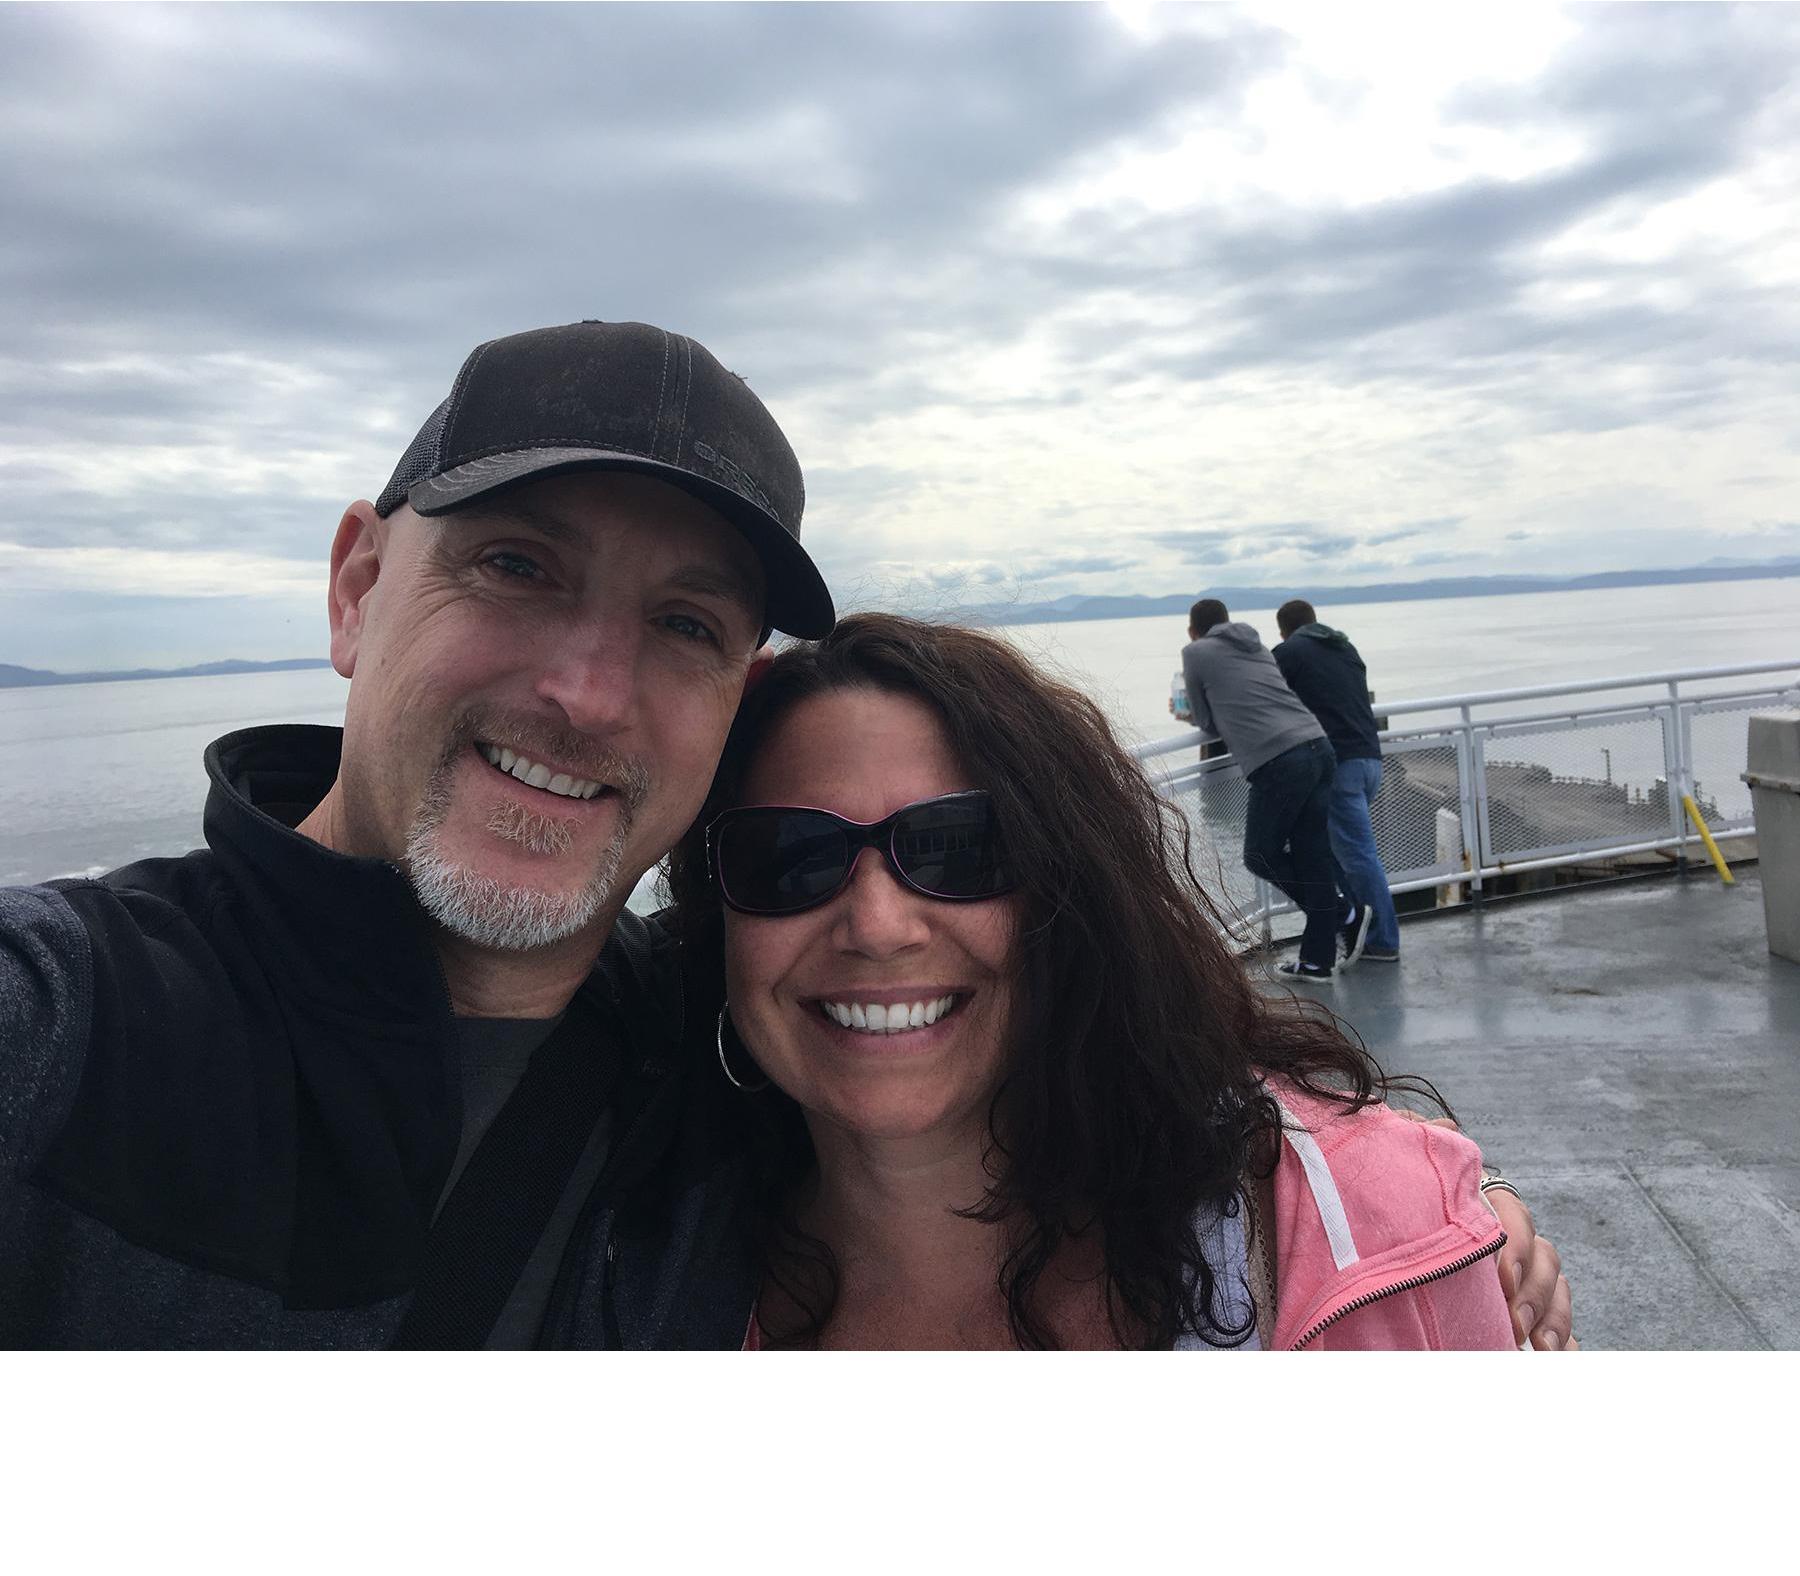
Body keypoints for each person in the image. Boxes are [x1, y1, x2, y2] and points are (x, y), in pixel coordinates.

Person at [0, 319, 833, 1348]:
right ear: (358, 588)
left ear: (734, 708)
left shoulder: (755, 1083)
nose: (589, 696)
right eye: (517, 566)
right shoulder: (63, 1027)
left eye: (685, 625)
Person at [667, 614, 1571, 1350]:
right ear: (716, 920)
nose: (876, 926)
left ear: (1071, 895)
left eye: (956, 848)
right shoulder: (641, 1271)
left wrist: (1435, 1199)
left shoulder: (1383, 1245)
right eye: (789, 857)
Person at [1181, 599, 1357, 980]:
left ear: (1193, 629)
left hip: (1279, 759)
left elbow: (1206, 721)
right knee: (1312, 854)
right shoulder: (1256, 645)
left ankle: (1340, 911)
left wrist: (1188, 714)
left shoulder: (1194, 653)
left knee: (1260, 855)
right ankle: (1317, 961)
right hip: (1318, 745)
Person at [1273, 598, 1400, 963]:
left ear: (1284, 629)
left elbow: (1266, 697)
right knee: (1331, 852)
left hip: (1339, 765)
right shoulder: (1344, 646)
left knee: (1357, 856)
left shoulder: (1290, 652)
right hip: (1370, 760)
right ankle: (1357, 927)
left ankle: (1382, 941)